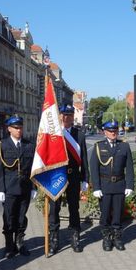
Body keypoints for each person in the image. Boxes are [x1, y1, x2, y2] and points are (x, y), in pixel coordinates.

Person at [0, 115, 36, 259]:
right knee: (9, 217)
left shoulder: (29, 145)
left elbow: (33, 169)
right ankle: (9, 246)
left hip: (24, 187)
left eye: (20, 127)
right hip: (9, 189)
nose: (19, 130)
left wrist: (34, 187)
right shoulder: (1, 146)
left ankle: (20, 243)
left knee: (21, 217)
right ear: (9, 129)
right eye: (16, 128)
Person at [48, 104, 89, 254]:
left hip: (73, 176)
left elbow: (84, 158)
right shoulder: (54, 134)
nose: (67, 118)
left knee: (74, 208)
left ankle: (75, 237)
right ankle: (54, 240)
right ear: (60, 116)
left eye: (70, 115)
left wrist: (85, 178)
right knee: (54, 209)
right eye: (64, 115)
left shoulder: (79, 134)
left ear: (73, 117)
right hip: (57, 177)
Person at [90, 120, 134, 251]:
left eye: (115, 131)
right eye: (110, 131)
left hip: (120, 185)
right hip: (104, 185)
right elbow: (94, 168)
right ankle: (106, 238)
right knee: (105, 214)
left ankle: (117, 237)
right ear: (105, 132)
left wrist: (129, 185)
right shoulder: (99, 146)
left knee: (118, 214)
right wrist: (96, 187)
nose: (113, 133)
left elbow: (130, 168)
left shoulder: (124, 146)